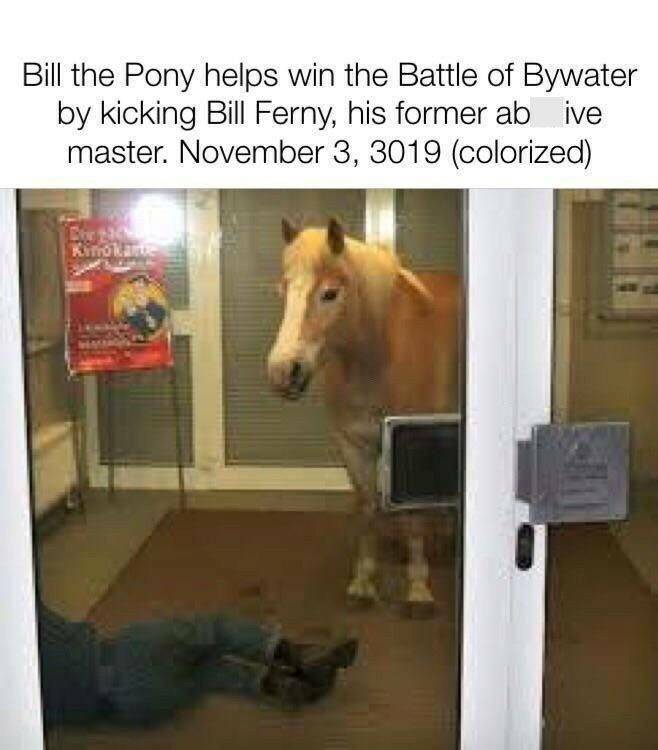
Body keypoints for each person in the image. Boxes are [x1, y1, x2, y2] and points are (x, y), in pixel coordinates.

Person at [38, 602, 357, 727]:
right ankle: (295, 654)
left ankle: (280, 685)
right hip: (122, 659)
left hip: (132, 709)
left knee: (207, 671)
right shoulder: (18, 598)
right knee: (211, 631)